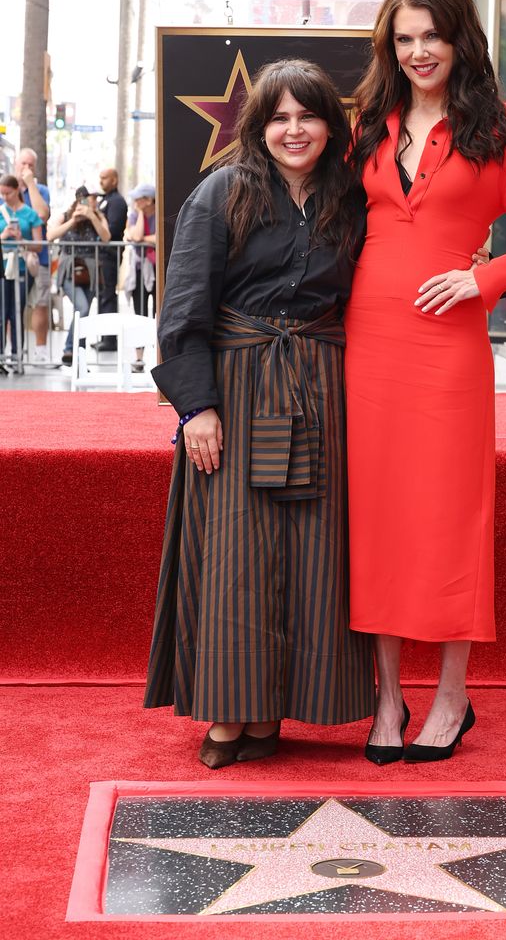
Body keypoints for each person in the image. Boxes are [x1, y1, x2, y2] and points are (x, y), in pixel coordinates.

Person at [345, 0, 506, 764]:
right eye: (405, 37)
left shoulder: (503, 130)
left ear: (461, 38)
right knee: (375, 520)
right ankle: (387, 699)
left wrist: (485, 277)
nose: (420, 51)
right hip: (364, 347)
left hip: (447, 356)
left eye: (433, 35)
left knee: (451, 519)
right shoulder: (369, 126)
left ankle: (451, 698)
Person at [144, 59, 375, 768]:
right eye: (279, 116)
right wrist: (197, 409)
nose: (294, 129)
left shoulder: (349, 197)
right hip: (238, 388)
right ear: (258, 125)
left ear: (331, 127)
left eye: (308, 115)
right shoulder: (224, 192)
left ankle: (279, 706)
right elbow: (183, 307)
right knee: (237, 556)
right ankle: (230, 709)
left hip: (318, 387)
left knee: (311, 554)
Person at [47, 187, 111, 365]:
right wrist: (73, 221)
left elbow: (106, 237)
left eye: (95, 198)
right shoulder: (66, 215)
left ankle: (78, 359)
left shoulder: (98, 216)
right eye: (91, 198)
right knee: (81, 308)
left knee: (82, 312)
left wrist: (92, 216)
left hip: (90, 272)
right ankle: (69, 349)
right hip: (69, 269)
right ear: (78, 199)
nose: (93, 201)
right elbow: (50, 235)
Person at [0, 174, 43, 360]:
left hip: (23, 267)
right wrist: (3, 235)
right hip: (3, 266)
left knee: (17, 311)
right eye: (1, 194)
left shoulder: (30, 214)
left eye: (7, 193)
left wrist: (21, 240)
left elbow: (39, 245)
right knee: (2, 312)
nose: (4, 197)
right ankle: (1, 355)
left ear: (16, 190)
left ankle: (18, 355)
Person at [14, 148, 51, 362]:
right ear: (16, 165)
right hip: (12, 257)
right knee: (12, 303)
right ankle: (14, 350)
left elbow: (42, 215)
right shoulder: (6, 189)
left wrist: (30, 185)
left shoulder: (40, 190)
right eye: (23, 164)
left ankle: (41, 351)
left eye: (30, 165)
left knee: (41, 302)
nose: (26, 168)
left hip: (39, 257)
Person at [94, 168, 128, 352]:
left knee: (107, 296)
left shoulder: (117, 202)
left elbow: (113, 230)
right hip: (101, 256)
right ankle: (104, 336)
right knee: (102, 297)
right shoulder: (105, 200)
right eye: (100, 177)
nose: (101, 181)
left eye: (104, 177)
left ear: (114, 180)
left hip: (109, 256)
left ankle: (110, 339)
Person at [124, 183, 157, 371]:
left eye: (140, 199)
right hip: (139, 270)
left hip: (156, 268)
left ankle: (160, 356)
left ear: (149, 199)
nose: (136, 202)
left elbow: (158, 238)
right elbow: (134, 236)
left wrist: (143, 239)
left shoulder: (160, 212)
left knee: (158, 313)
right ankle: (139, 358)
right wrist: (142, 215)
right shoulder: (135, 215)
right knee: (140, 312)